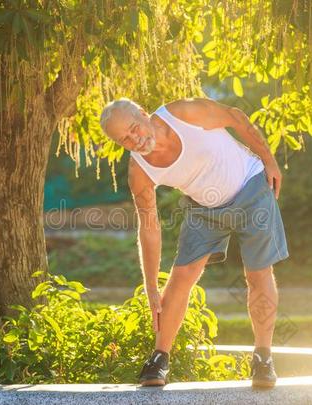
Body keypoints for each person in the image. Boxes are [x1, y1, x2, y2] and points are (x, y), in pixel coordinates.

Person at [99, 97, 289, 389]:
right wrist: (151, 288)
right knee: (181, 276)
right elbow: (149, 228)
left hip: (250, 186)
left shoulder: (183, 113)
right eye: (124, 139)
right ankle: (159, 358)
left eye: (134, 128)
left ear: (142, 113)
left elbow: (236, 117)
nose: (134, 139)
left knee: (256, 273)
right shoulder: (140, 171)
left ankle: (263, 357)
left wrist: (269, 160)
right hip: (204, 207)